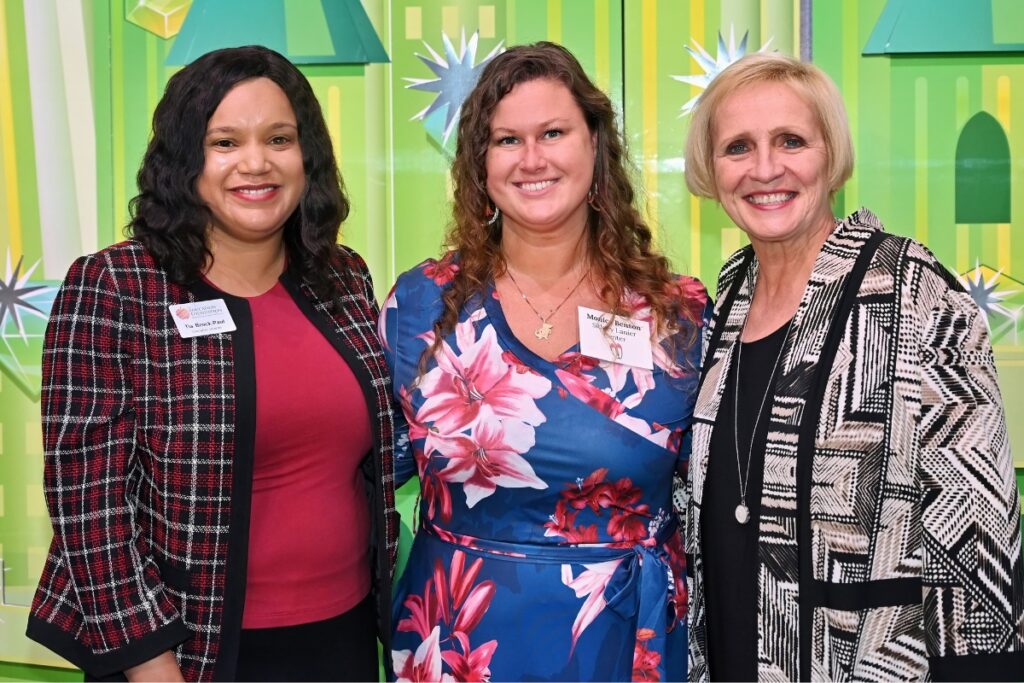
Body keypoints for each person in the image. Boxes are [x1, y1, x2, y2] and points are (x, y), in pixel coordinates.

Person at [27, 46, 397, 682]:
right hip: (188, 651)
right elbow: (89, 508)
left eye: (279, 138)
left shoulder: (343, 278)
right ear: (185, 161)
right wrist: (150, 666)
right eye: (224, 142)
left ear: (306, 157)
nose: (256, 162)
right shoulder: (117, 286)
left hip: (344, 636)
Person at [683, 51, 1024, 681]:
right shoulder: (725, 297)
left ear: (831, 155)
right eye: (738, 147)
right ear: (712, 168)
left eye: (791, 141)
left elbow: (976, 525)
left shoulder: (913, 289)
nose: (765, 169)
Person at [379, 41, 710, 681]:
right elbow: (358, 472)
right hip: (458, 640)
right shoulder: (421, 305)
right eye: (507, 140)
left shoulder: (677, 315)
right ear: (480, 164)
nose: (532, 159)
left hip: (619, 640)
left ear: (595, 146)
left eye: (553, 132)